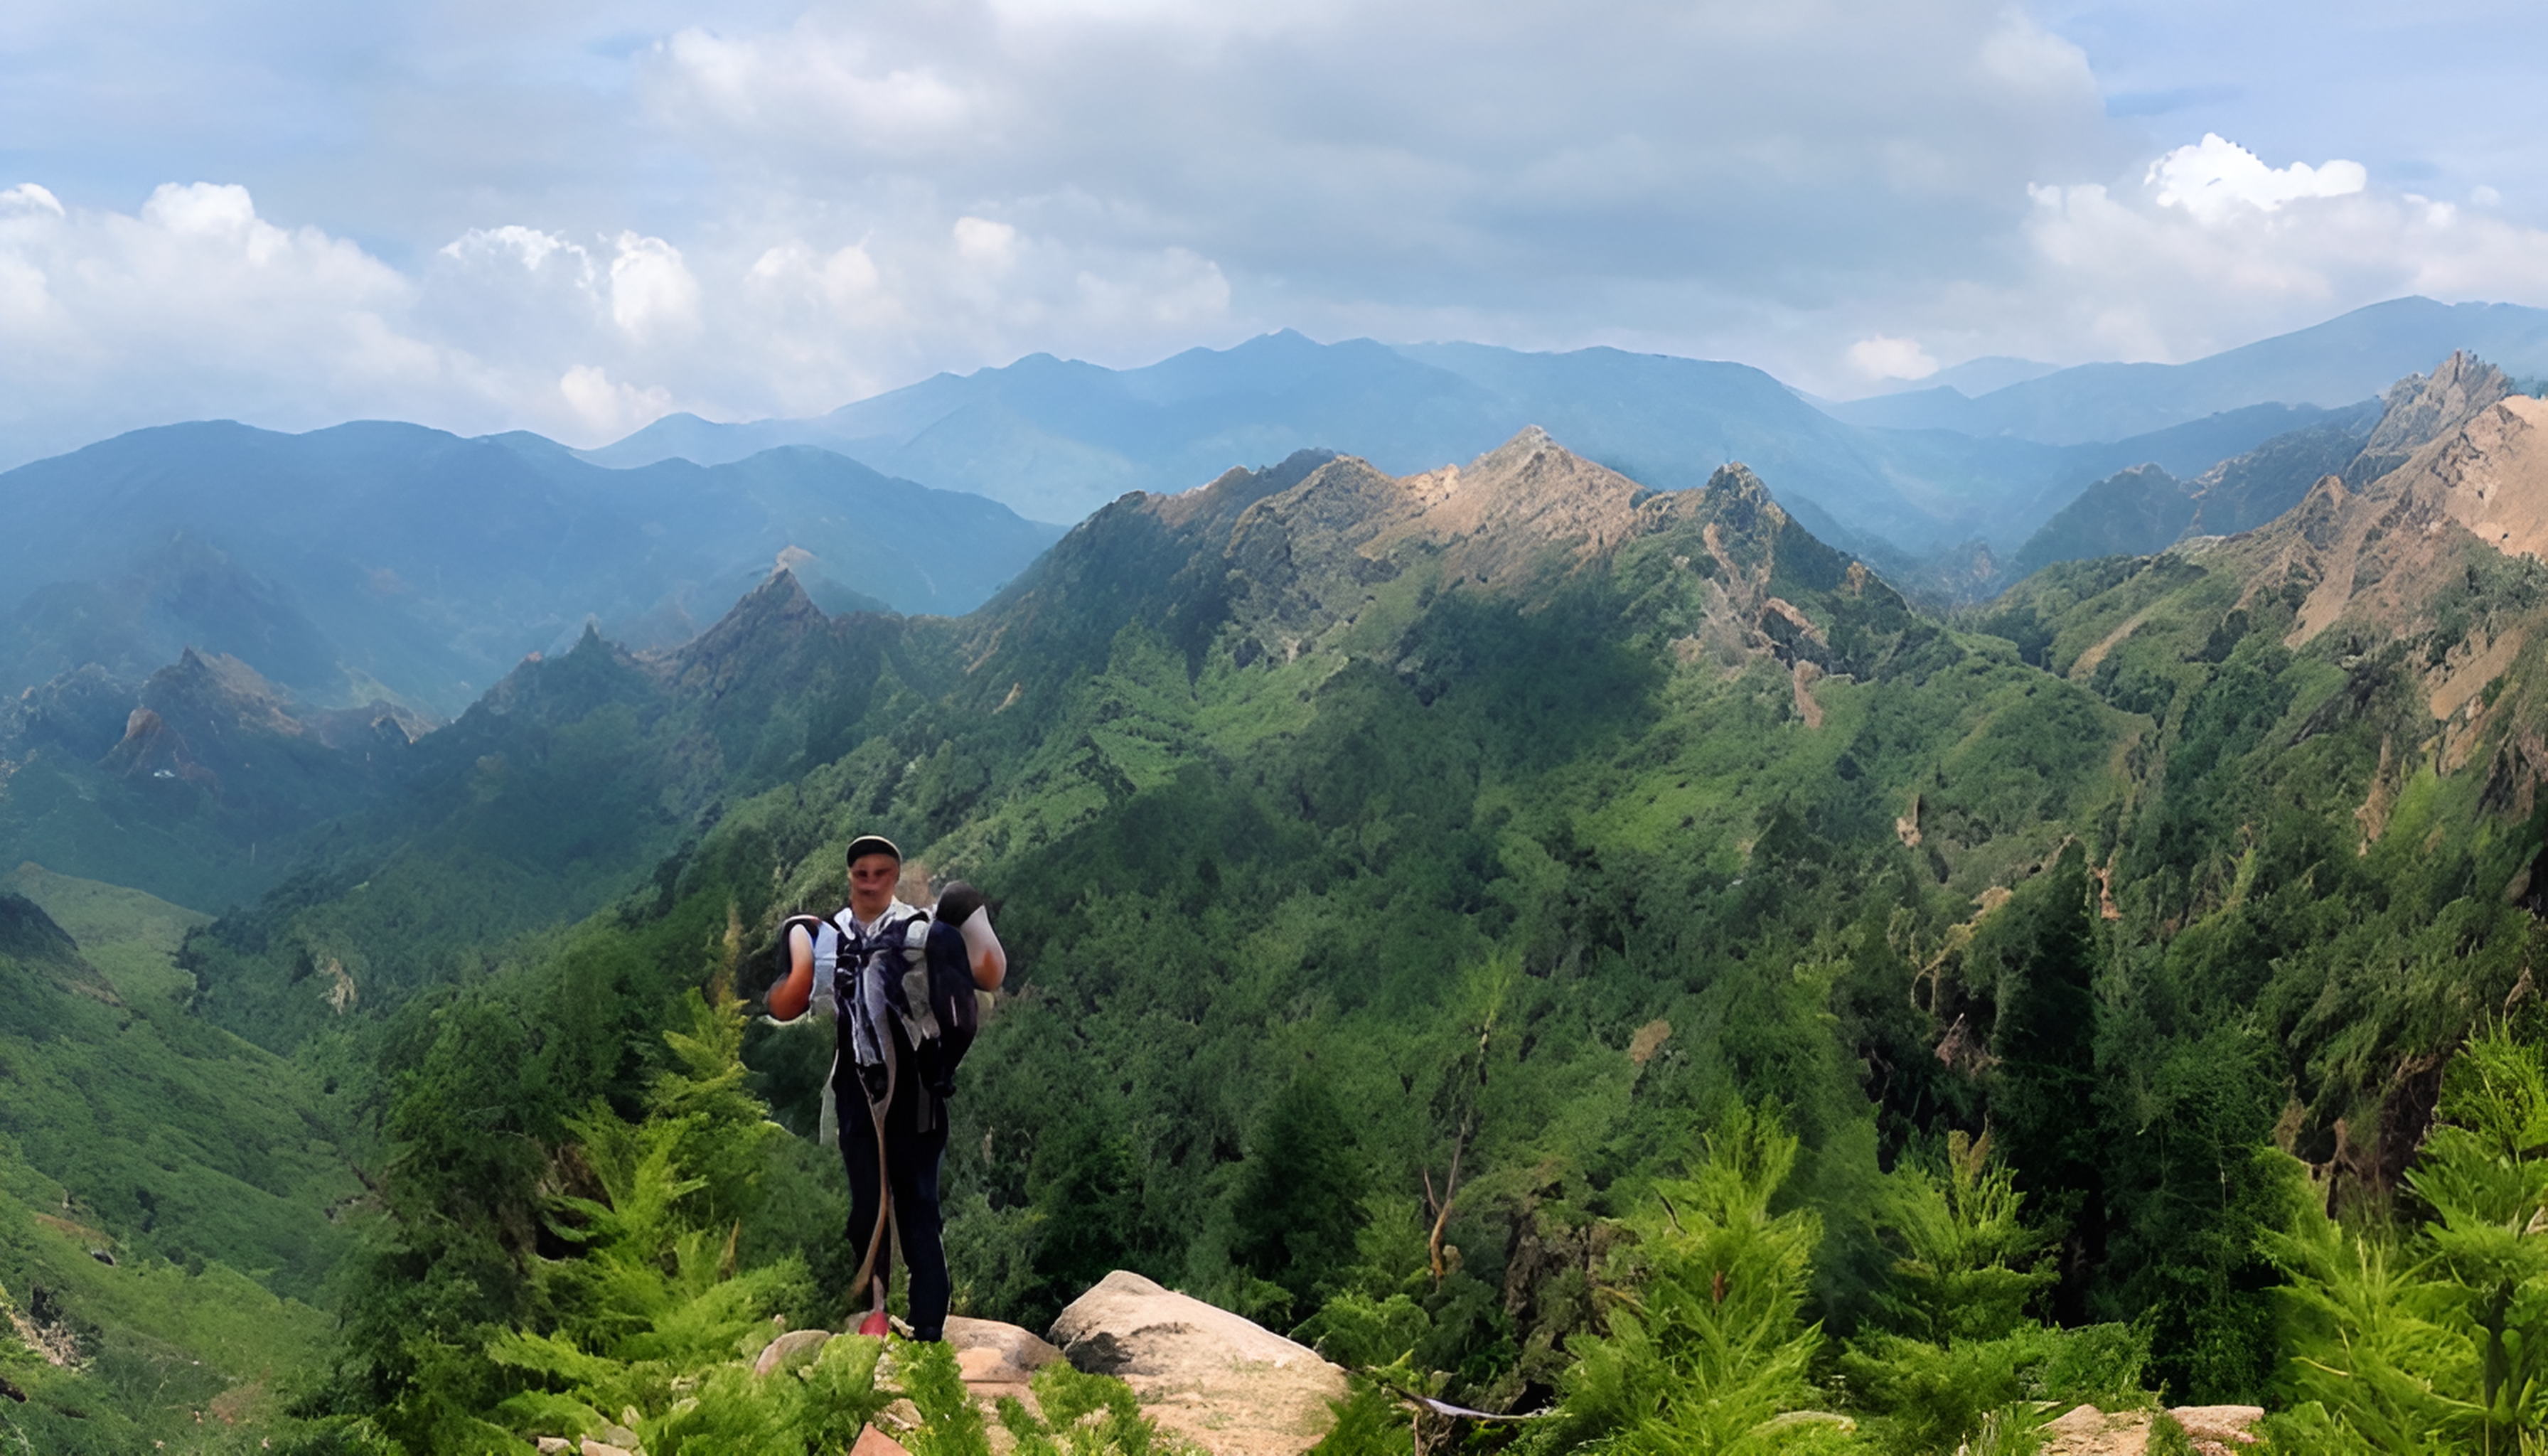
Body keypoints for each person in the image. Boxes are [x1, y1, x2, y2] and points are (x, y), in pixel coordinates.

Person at [769, 835, 1006, 1340]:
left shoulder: (922, 935)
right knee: (866, 1208)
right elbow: (804, 1001)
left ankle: (927, 1327)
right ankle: (874, 1311)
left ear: (894, 878)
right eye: (862, 873)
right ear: (851, 877)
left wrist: (944, 1069)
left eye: (881, 873)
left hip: (916, 1088)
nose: (871, 882)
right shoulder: (832, 937)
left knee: (918, 1205)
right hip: (857, 1087)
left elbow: (960, 1012)